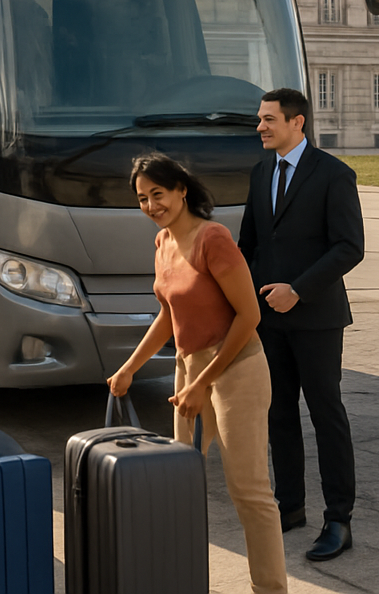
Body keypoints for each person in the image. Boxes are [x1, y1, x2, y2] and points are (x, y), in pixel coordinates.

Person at [108, 153, 287, 594]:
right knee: (179, 484)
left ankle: (270, 589)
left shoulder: (213, 238)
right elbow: (169, 315)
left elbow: (249, 317)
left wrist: (201, 382)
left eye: (158, 194)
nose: (151, 205)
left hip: (236, 368)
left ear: (182, 189)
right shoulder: (163, 242)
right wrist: (130, 368)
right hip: (190, 369)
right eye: (143, 198)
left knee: (249, 491)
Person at [239, 88, 364, 562]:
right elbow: (249, 245)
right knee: (278, 414)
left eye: (269, 119)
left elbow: (349, 246)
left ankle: (339, 520)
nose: (260, 127)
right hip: (269, 320)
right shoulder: (260, 172)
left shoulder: (334, 174)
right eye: (260, 119)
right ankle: (289, 507)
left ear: (297, 123)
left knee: (325, 414)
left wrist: (299, 289)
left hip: (316, 318)